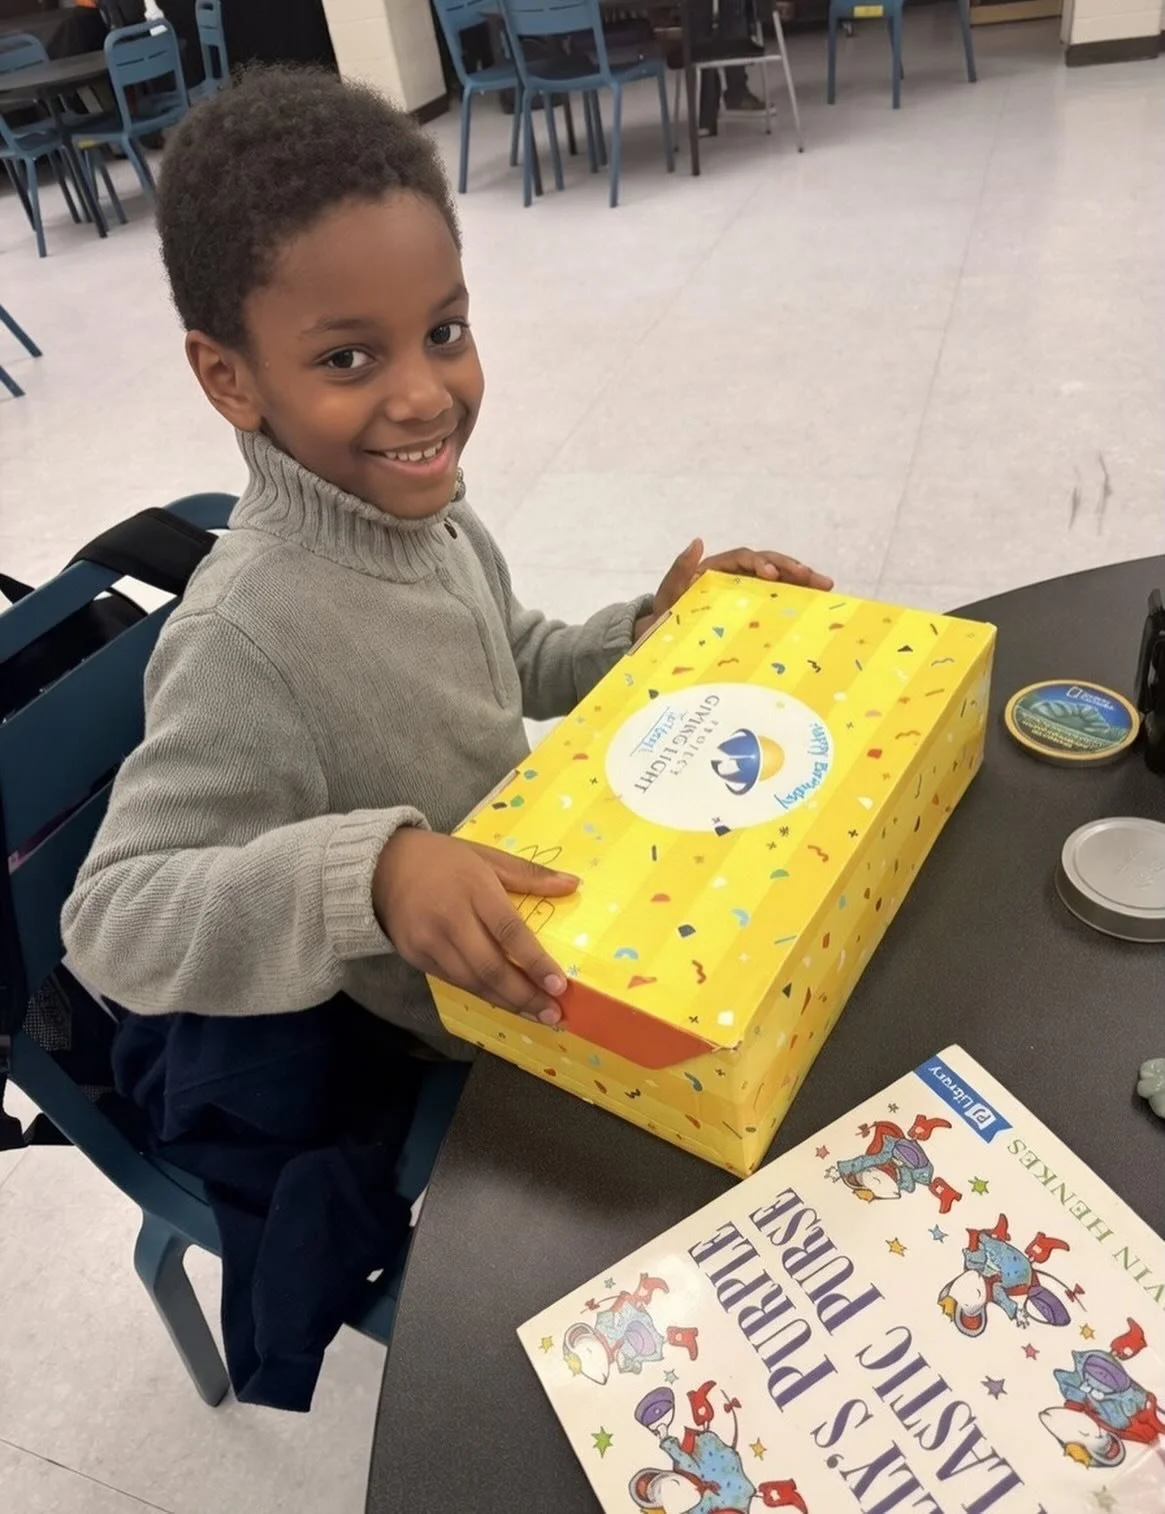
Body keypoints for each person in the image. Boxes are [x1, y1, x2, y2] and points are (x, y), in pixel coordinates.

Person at [62, 65, 831, 1059]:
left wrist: (648, 632)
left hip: (562, 907)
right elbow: (113, 915)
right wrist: (373, 876)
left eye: (443, 332)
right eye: (347, 358)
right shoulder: (242, 636)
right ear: (228, 376)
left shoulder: (427, 517)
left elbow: (514, 655)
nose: (426, 395)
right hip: (469, 1035)